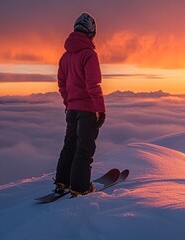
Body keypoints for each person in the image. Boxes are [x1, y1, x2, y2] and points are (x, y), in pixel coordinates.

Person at [54, 12, 106, 197]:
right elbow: (93, 85)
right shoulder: (89, 55)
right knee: (84, 149)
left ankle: (62, 182)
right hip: (87, 110)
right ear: (92, 32)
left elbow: (62, 84)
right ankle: (80, 187)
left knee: (69, 145)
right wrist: (100, 109)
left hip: (72, 109)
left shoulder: (65, 57)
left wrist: (68, 102)